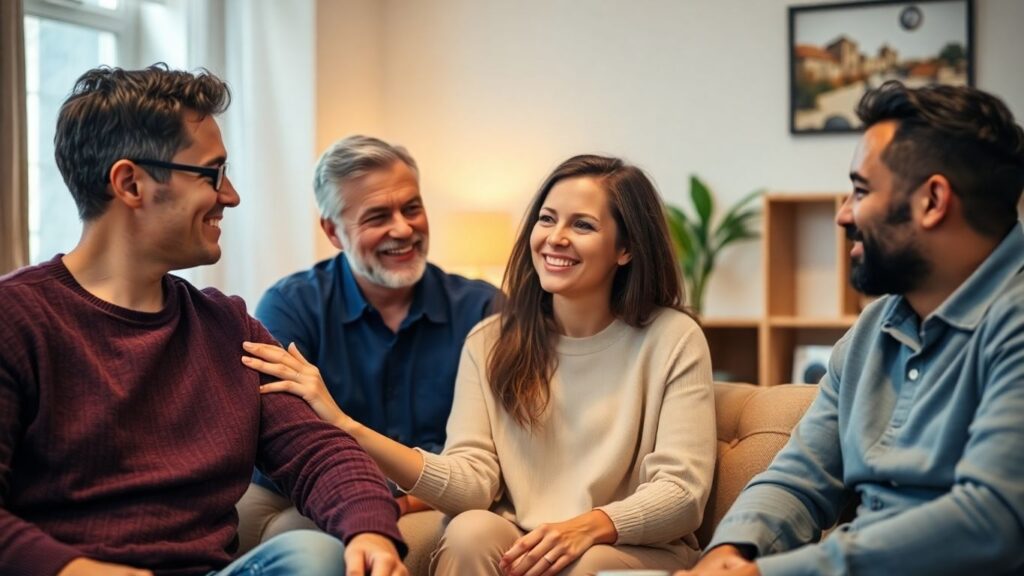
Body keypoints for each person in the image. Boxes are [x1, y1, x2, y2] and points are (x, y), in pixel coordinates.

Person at [0, 64, 407, 576]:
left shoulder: (227, 325)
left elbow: (318, 450)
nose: (231, 195)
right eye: (213, 173)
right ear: (131, 183)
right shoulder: (16, 320)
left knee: (315, 555)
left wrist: (370, 529)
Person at [242, 154, 718, 575]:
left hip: (627, 543)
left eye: (583, 225)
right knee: (471, 531)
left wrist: (591, 526)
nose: (555, 238)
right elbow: (473, 480)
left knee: (585, 562)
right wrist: (347, 426)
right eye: (547, 219)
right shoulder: (492, 338)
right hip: (521, 534)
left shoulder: (673, 338)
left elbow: (682, 491)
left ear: (626, 247)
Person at [680, 81, 1024, 576]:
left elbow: (990, 523)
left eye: (861, 191)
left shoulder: (1012, 324)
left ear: (932, 201)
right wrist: (731, 553)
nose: (843, 214)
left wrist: (769, 575)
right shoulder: (873, 329)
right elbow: (799, 477)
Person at [235, 135, 501, 554]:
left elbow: (498, 451)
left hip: (443, 496)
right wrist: (368, 496)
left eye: (412, 208)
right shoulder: (290, 306)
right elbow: (283, 442)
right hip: (321, 491)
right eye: (377, 216)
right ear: (333, 231)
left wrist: (409, 498)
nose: (403, 228)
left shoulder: (484, 308)